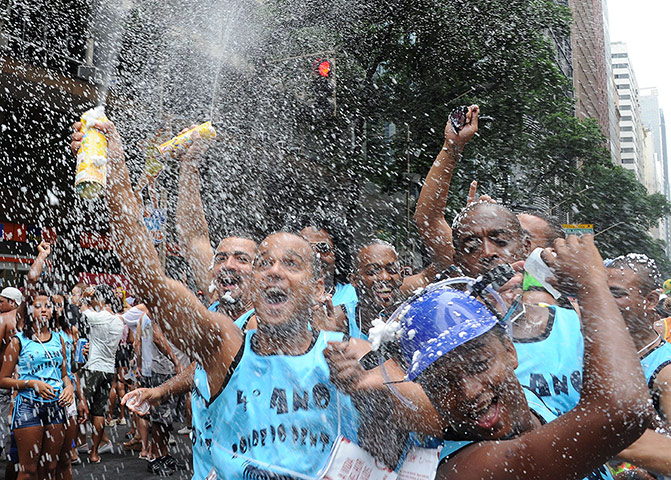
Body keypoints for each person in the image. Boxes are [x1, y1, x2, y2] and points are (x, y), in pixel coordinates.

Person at [71, 119, 369, 479]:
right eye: (264, 263)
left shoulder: (349, 351)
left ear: (319, 287)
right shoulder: (223, 341)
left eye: (290, 264)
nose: (273, 271)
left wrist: (372, 387)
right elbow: (153, 277)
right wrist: (116, 170)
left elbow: (425, 426)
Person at [398, 235, 651, 480]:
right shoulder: (468, 469)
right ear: (427, 393)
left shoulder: (529, 399)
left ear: (510, 351)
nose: (469, 391)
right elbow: (624, 411)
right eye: (442, 382)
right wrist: (591, 285)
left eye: (479, 364)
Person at [174, 126, 257, 332]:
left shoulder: (263, 325)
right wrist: (189, 165)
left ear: (261, 273)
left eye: (242, 259)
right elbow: (193, 236)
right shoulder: (214, 299)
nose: (228, 265)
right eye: (220, 258)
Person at [605, 254, 671, 477]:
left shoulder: (666, 371)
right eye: (601, 291)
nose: (604, 301)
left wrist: (643, 474)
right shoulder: (593, 349)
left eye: (616, 294)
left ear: (652, 300)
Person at [0, 292, 74, 480]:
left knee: (50, 466)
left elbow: (64, 374)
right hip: (28, 407)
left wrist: (69, 388)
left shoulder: (59, 339)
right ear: (30, 311)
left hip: (56, 406)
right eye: (38, 306)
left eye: (48, 306)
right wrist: (31, 383)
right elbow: (3, 379)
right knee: (28, 470)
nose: (44, 310)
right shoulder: (19, 341)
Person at [79, 285, 124, 463]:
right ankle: (94, 453)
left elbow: (81, 309)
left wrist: (84, 297)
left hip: (93, 368)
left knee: (79, 409)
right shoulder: (118, 320)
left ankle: (72, 451)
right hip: (108, 370)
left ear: (101, 299)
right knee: (98, 412)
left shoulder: (99, 317)